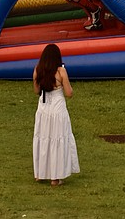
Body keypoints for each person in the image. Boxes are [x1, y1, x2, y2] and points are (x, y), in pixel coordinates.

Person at [32, 44, 80, 186]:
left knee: (43, 138)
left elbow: (36, 91)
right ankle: (55, 177)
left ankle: (40, 173)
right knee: (57, 139)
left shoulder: (38, 70)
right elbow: (69, 93)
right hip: (58, 109)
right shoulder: (61, 72)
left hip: (43, 108)